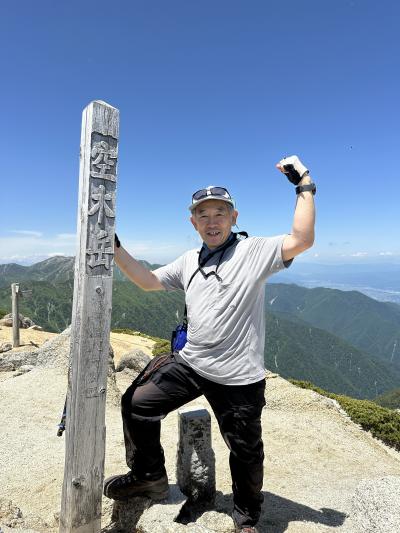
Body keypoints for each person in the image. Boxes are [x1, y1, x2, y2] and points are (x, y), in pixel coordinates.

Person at [104, 155, 316, 533]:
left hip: (239, 377)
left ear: (234, 218)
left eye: (220, 212)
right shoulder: (190, 260)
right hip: (191, 364)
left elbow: (302, 239)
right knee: (136, 403)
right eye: (204, 215)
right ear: (193, 223)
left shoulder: (253, 252)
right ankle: (149, 476)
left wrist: (304, 184)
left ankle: (247, 515)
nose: (212, 220)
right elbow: (149, 281)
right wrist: (114, 247)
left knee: (246, 452)